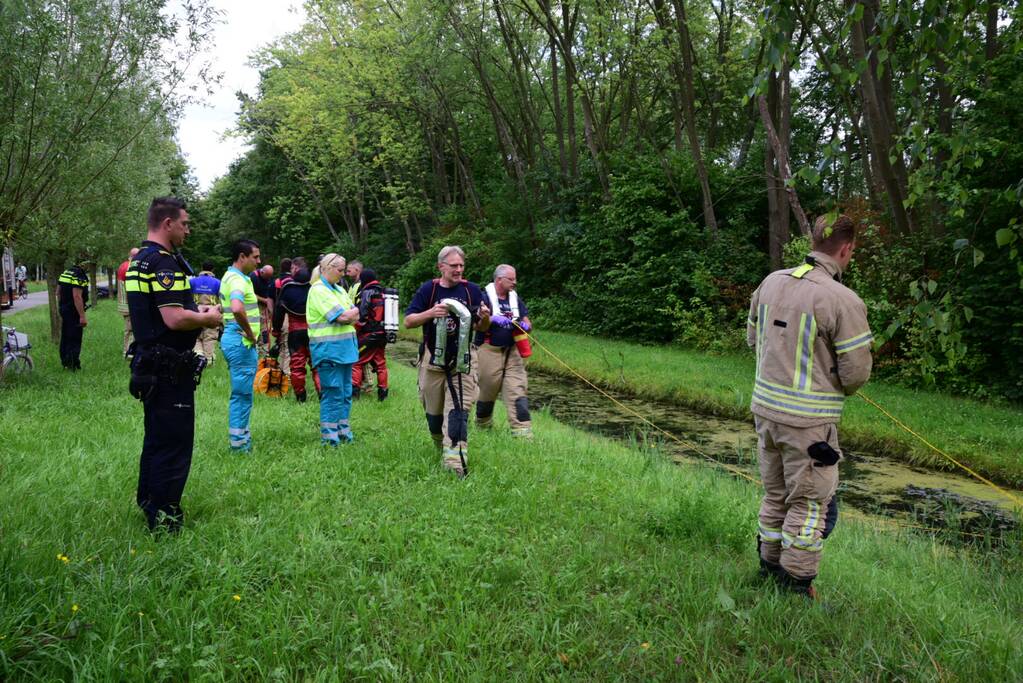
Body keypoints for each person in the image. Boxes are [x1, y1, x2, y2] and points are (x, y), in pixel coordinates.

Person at [747, 214, 873, 598]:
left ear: (814, 240)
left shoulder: (771, 282)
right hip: (809, 424)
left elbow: (754, 339)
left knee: (775, 495)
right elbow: (855, 374)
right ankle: (795, 588)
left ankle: (769, 570)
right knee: (810, 505)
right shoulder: (842, 299)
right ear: (846, 248)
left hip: (765, 412)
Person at [126, 197, 222, 532]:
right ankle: (165, 518)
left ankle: (149, 502)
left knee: (156, 439)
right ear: (168, 223)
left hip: (149, 362)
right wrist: (207, 318)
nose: (188, 230)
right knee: (174, 443)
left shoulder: (141, 260)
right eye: (185, 223)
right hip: (167, 367)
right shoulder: (164, 263)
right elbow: (174, 318)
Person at [404, 246, 491, 476]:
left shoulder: (472, 290)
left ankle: (455, 464)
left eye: (461, 265)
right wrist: (431, 313)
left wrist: (484, 319)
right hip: (432, 361)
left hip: (463, 361)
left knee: (459, 411)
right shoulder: (428, 290)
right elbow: (409, 321)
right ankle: (439, 441)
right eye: (454, 266)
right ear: (441, 266)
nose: (459, 269)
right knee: (434, 415)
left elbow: (481, 326)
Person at [306, 253, 360, 445]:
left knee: (346, 394)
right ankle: (329, 439)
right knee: (332, 393)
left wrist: (350, 313)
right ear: (326, 268)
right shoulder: (319, 290)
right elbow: (343, 317)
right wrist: (350, 314)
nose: (343, 274)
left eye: (344, 270)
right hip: (328, 351)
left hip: (345, 351)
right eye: (340, 270)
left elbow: (355, 313)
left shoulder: (338, 289)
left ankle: (344, 434)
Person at [475, 264, 533, 437]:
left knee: (518, 390)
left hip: (513, 352)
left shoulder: (515, 299)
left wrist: (525, 326)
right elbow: (477, 325)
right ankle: (483, 426)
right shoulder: (483, 297)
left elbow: (528, 323)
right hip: (488, 350)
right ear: (499, 279)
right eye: (511, 279)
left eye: (515, 279)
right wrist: (491, 319)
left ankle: (523, 434)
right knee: (487, 391)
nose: (515, 282)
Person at [220, 240, 262, 453]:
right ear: (242, 256)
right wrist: (250, 333)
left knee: (242, 393)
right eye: (255, 257)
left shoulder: (229, 276)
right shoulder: (237, 279)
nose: (259, 261)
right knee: (242, 395)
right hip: (240, 341)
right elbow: (237, 307)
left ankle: (241, 439)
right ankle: (239, 446)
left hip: (232, 338)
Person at [274, 257, 320, 402]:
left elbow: (278, 313)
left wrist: (276, 331)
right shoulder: (315, 290)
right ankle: (322, 393)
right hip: (313, 332)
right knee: (317, 364)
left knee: (297, 366)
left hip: (295, 333)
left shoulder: (287, 289)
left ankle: (301, 396)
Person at [351, 268, 389, 401]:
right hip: (382, 334)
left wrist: (355, 330)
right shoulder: (384, 292)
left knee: (356, 361)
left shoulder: (367, 292)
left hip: (369, 335)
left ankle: (354, 394)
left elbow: (362, 317)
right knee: (381, 364)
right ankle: (383, 395)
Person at [57, 260, 89, 370]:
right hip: (73, 311)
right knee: (74, 337)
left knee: (65, 336)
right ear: (84, 264)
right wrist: (82, 316)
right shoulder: (79, 275)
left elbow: (58, 292)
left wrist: (62, 306)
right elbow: (77, 296)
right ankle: (72, 364)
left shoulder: (66, 272)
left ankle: (65, 361)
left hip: (64, 309)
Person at [189, 262, 221, 365]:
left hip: (195, 313)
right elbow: (222, 300)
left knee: (196, 337)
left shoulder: (192, 281)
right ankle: (209, 361)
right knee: (209, 338)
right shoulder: (217, 283)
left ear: (202, 268)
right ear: (213, 269)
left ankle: (198, 358)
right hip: (211, 314)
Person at [116, 248, 140, 358]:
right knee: (132, 329)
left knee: (128, 328)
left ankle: (128, 350)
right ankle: (129, 352)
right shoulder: (132, 267)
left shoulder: (123, 265)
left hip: (124, 304)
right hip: (131, 304)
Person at [272, 258, 293, 375]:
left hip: (278, 316)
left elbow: (270, 301)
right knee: (287, 346)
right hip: (289, 317)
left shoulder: (276, 282)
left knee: (280, 344)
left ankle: (278, 370)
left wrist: (272, 315)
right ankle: (286, 374)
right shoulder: (293, 282)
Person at [251, 264, 274, 344]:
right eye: (267, 276)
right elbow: (251, 294)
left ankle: (264, 348)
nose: (268, 279)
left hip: (266, 306)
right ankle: (256, 345)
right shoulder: (253, 277)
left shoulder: (269, 277)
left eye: (270, 277)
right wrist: (264, 300)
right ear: (262, 272)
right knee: (256, 327)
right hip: (255, 305)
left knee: (265, 329)